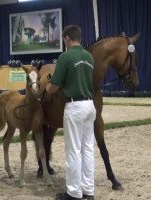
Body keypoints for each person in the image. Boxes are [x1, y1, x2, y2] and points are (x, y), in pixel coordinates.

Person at [46, 25, 96, 200]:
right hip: (90, 105)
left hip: (74, 107)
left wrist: (47, 87)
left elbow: (55, 86)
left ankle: (74, 193)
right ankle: (88, 191)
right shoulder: (88, 56)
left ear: (67, 38)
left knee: (73, 150)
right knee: (88, 149)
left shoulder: (65, 56)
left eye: (63, 39)